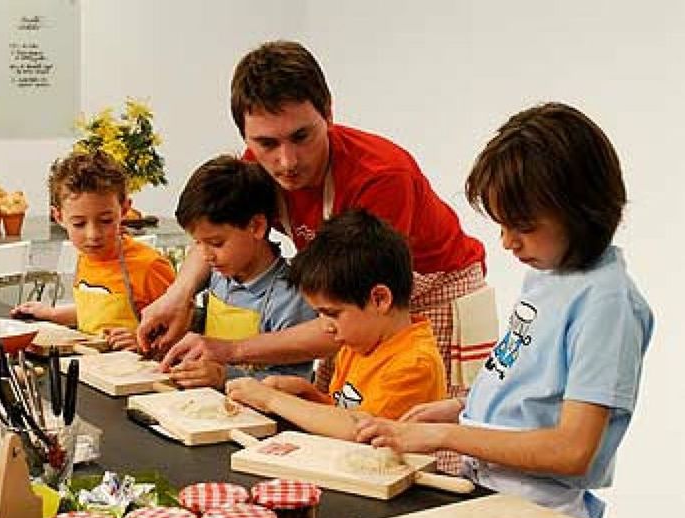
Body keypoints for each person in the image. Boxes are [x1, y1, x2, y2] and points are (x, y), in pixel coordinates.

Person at [354, 103, 653, 518]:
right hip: (497, 501)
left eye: (523, 225)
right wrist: (460, 408)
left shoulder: (608, 304)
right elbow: (529, 390)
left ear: (581, 209)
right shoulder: (549, 273)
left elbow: (571, 449)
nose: (507, 242)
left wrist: (447, 435)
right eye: (502, 224)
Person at [138, 40, 488, 402]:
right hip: (351, 300)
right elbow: (217, 231)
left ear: (329, 113)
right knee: (336, 409)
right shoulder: (256, 164)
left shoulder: (381, 177)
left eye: (301, 136)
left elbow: (358, 311)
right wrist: (177, 296)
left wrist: (231, 349)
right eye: (266, 143)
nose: (287, 161)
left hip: (433, 294)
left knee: (413, 425)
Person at [226, 209, 446, 440]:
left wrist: (273, 400)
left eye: (332, 313)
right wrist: (307, 394)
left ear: (380, 299)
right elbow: (343, 410)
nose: (325, 326)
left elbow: (362, 431)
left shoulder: (413, 364)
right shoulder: (359, 343)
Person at [168, 154, 317, 389]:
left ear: (256, 227)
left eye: (216, 243)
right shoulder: (219, 275)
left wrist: (224, 377)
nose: (205, 255)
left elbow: (295, 384)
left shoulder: (290, 297)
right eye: (198, 243)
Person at [12, 150, 175, 351]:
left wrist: (142, 341)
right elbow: (97, 314)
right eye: (79, 224)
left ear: (124, 210)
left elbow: (180, 331)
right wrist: (53, 314)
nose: (93, 235)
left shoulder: (150, 267)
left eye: (106, 220)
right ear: (59, 217)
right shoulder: (85, 257)